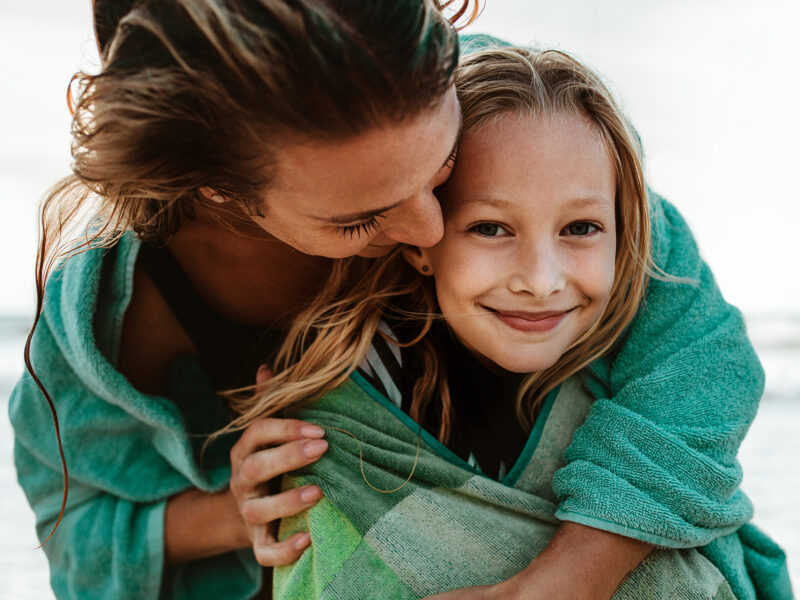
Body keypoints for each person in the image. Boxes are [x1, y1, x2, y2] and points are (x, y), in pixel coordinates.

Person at [6, 1, 777, 599]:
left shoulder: (517, 118)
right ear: (218, 188)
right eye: (358, 218)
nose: (427, 226)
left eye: (442, 162)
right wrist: (233, 514)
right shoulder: (124, 317)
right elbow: (77, 533)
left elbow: (698, 363)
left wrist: (564, 578)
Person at [242, 46, 790, 599]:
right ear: (418, 239)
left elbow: (713, 362)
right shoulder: (344, 399)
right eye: (490, 228)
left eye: (580, 228)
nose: (541, 280)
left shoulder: (644, 350)